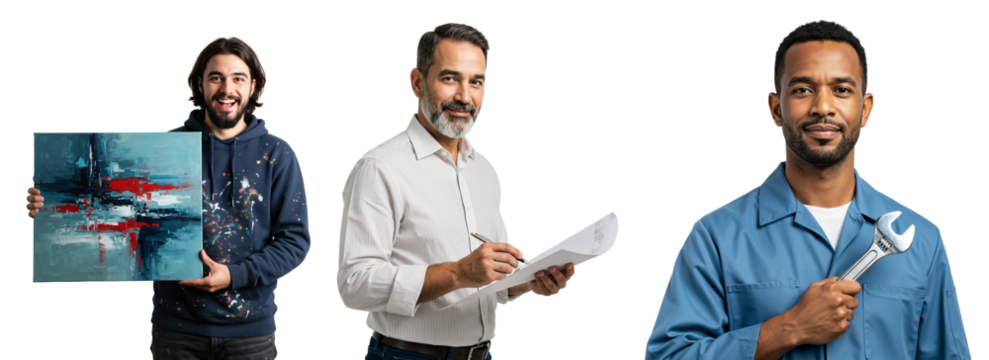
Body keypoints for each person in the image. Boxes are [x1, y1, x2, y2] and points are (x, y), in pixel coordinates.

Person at [642, 19, 972, 360]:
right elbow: (668, 357)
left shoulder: (925, 241)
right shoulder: (715, 237)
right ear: (775, 108)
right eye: (803, 89)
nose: (823, 107)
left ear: (866, 108)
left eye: (842, 90)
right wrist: (790, 328)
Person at [25, 36, 312, 359]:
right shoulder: (162, 149)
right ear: (200, 83)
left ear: (253, 85)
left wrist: (234, 275)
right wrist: (52, 206)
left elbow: (295, 242)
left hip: (251, 334)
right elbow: (113, 212)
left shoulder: (278, 154)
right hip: (176, 331)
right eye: (216, 77)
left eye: (237, 78)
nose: (226, 88)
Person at [336, 22, 579, 360]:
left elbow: (488, 284)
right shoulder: (379, 167)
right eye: (450, 78)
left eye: (476, 82)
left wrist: (525, 283)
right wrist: (456, 273)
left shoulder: (486, 171)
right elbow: (354, 286)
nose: (465, 96)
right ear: (417, 83)